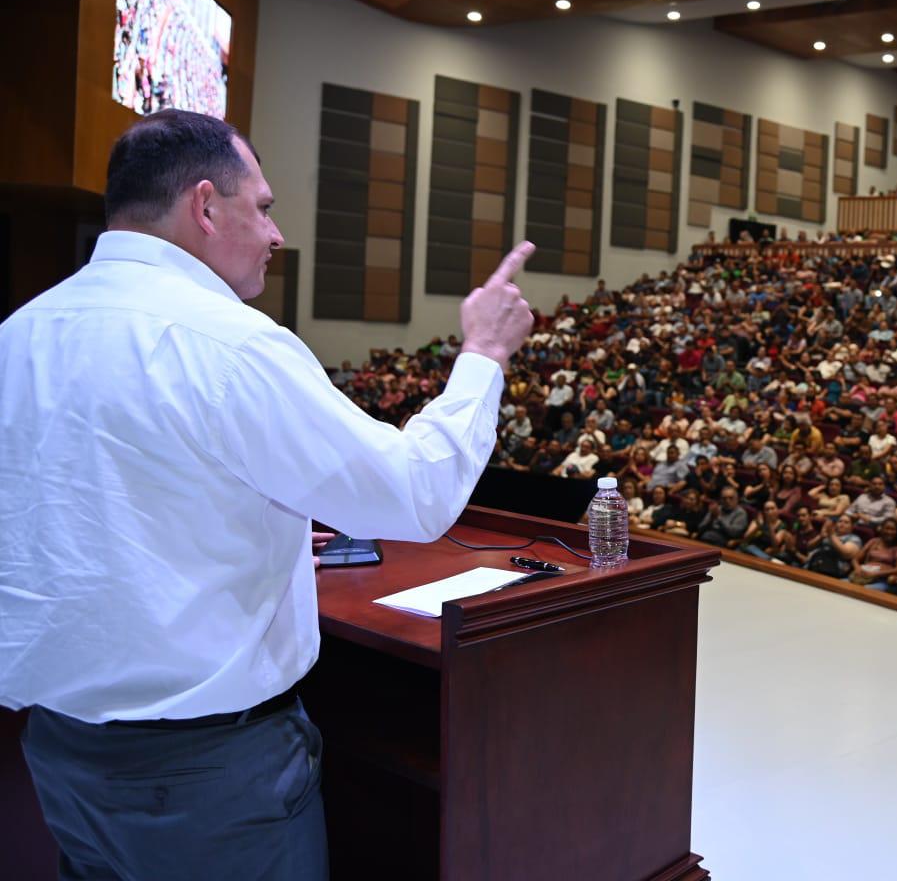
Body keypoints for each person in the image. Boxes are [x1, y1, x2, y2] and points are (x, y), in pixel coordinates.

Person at [0, 111, 538, 879]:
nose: (277, 235)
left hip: (59, 748)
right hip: (208, 769)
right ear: (207, 206)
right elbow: (417, 494)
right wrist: (483, 353)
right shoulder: (230, 342)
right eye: (264, 207)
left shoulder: (20, 333)